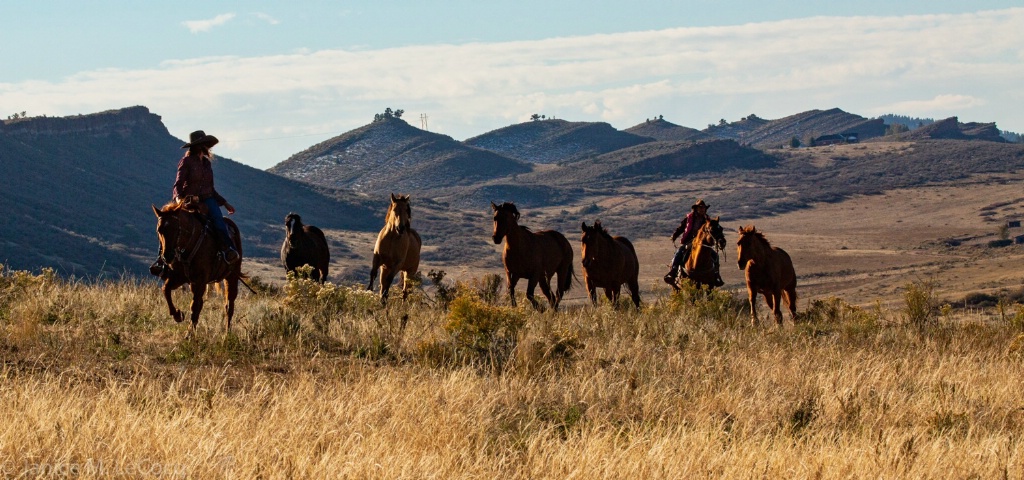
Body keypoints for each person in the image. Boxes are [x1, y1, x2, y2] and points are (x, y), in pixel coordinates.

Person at [171, 130, 239, 264]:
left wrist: (224, 203)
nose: (207, 147)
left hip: (208, 199)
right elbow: (178, 184)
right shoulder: (186, 161)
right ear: (198, 146)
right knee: (171, 224)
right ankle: (164, 260)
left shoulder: (207, 163)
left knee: (218, 221)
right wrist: (179, 198)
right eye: (204, 144)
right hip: (189, 200)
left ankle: (227, 250)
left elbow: (211, 189)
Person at [664, 198, 723, 287]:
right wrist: (675, 235)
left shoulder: (707, 220)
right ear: (696, 208)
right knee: (679, 252)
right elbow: (682, 227)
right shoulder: (689, 218)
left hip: (702, 243)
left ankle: (716, 275)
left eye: (703, 208)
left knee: (715, 256)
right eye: (700, 208)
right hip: (690, 241)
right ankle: (673, 272)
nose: (702, 209)